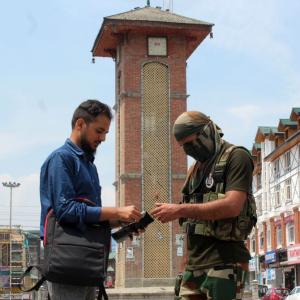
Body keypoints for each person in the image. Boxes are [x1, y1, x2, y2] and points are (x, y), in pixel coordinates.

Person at [40, 99, 142, 300]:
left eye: (106, 133)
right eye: (99, 131)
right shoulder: (61, 159)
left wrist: (122, 221)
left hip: (87, 264)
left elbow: (89, 217)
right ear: (80, 124)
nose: (103, 138)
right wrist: (115, 211)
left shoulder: (89, 166)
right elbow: (66, 210)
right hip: (67, 267)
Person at [152, 111, 257, 300]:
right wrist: (183, 269)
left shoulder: (237, 157)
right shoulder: (194, 171)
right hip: (193, 268)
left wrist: (179, 209)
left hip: (225, 263)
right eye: (183, 146)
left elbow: (232, 206)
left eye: (191, 143)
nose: (189, 150)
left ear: (207, 132)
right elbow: (190, 226)